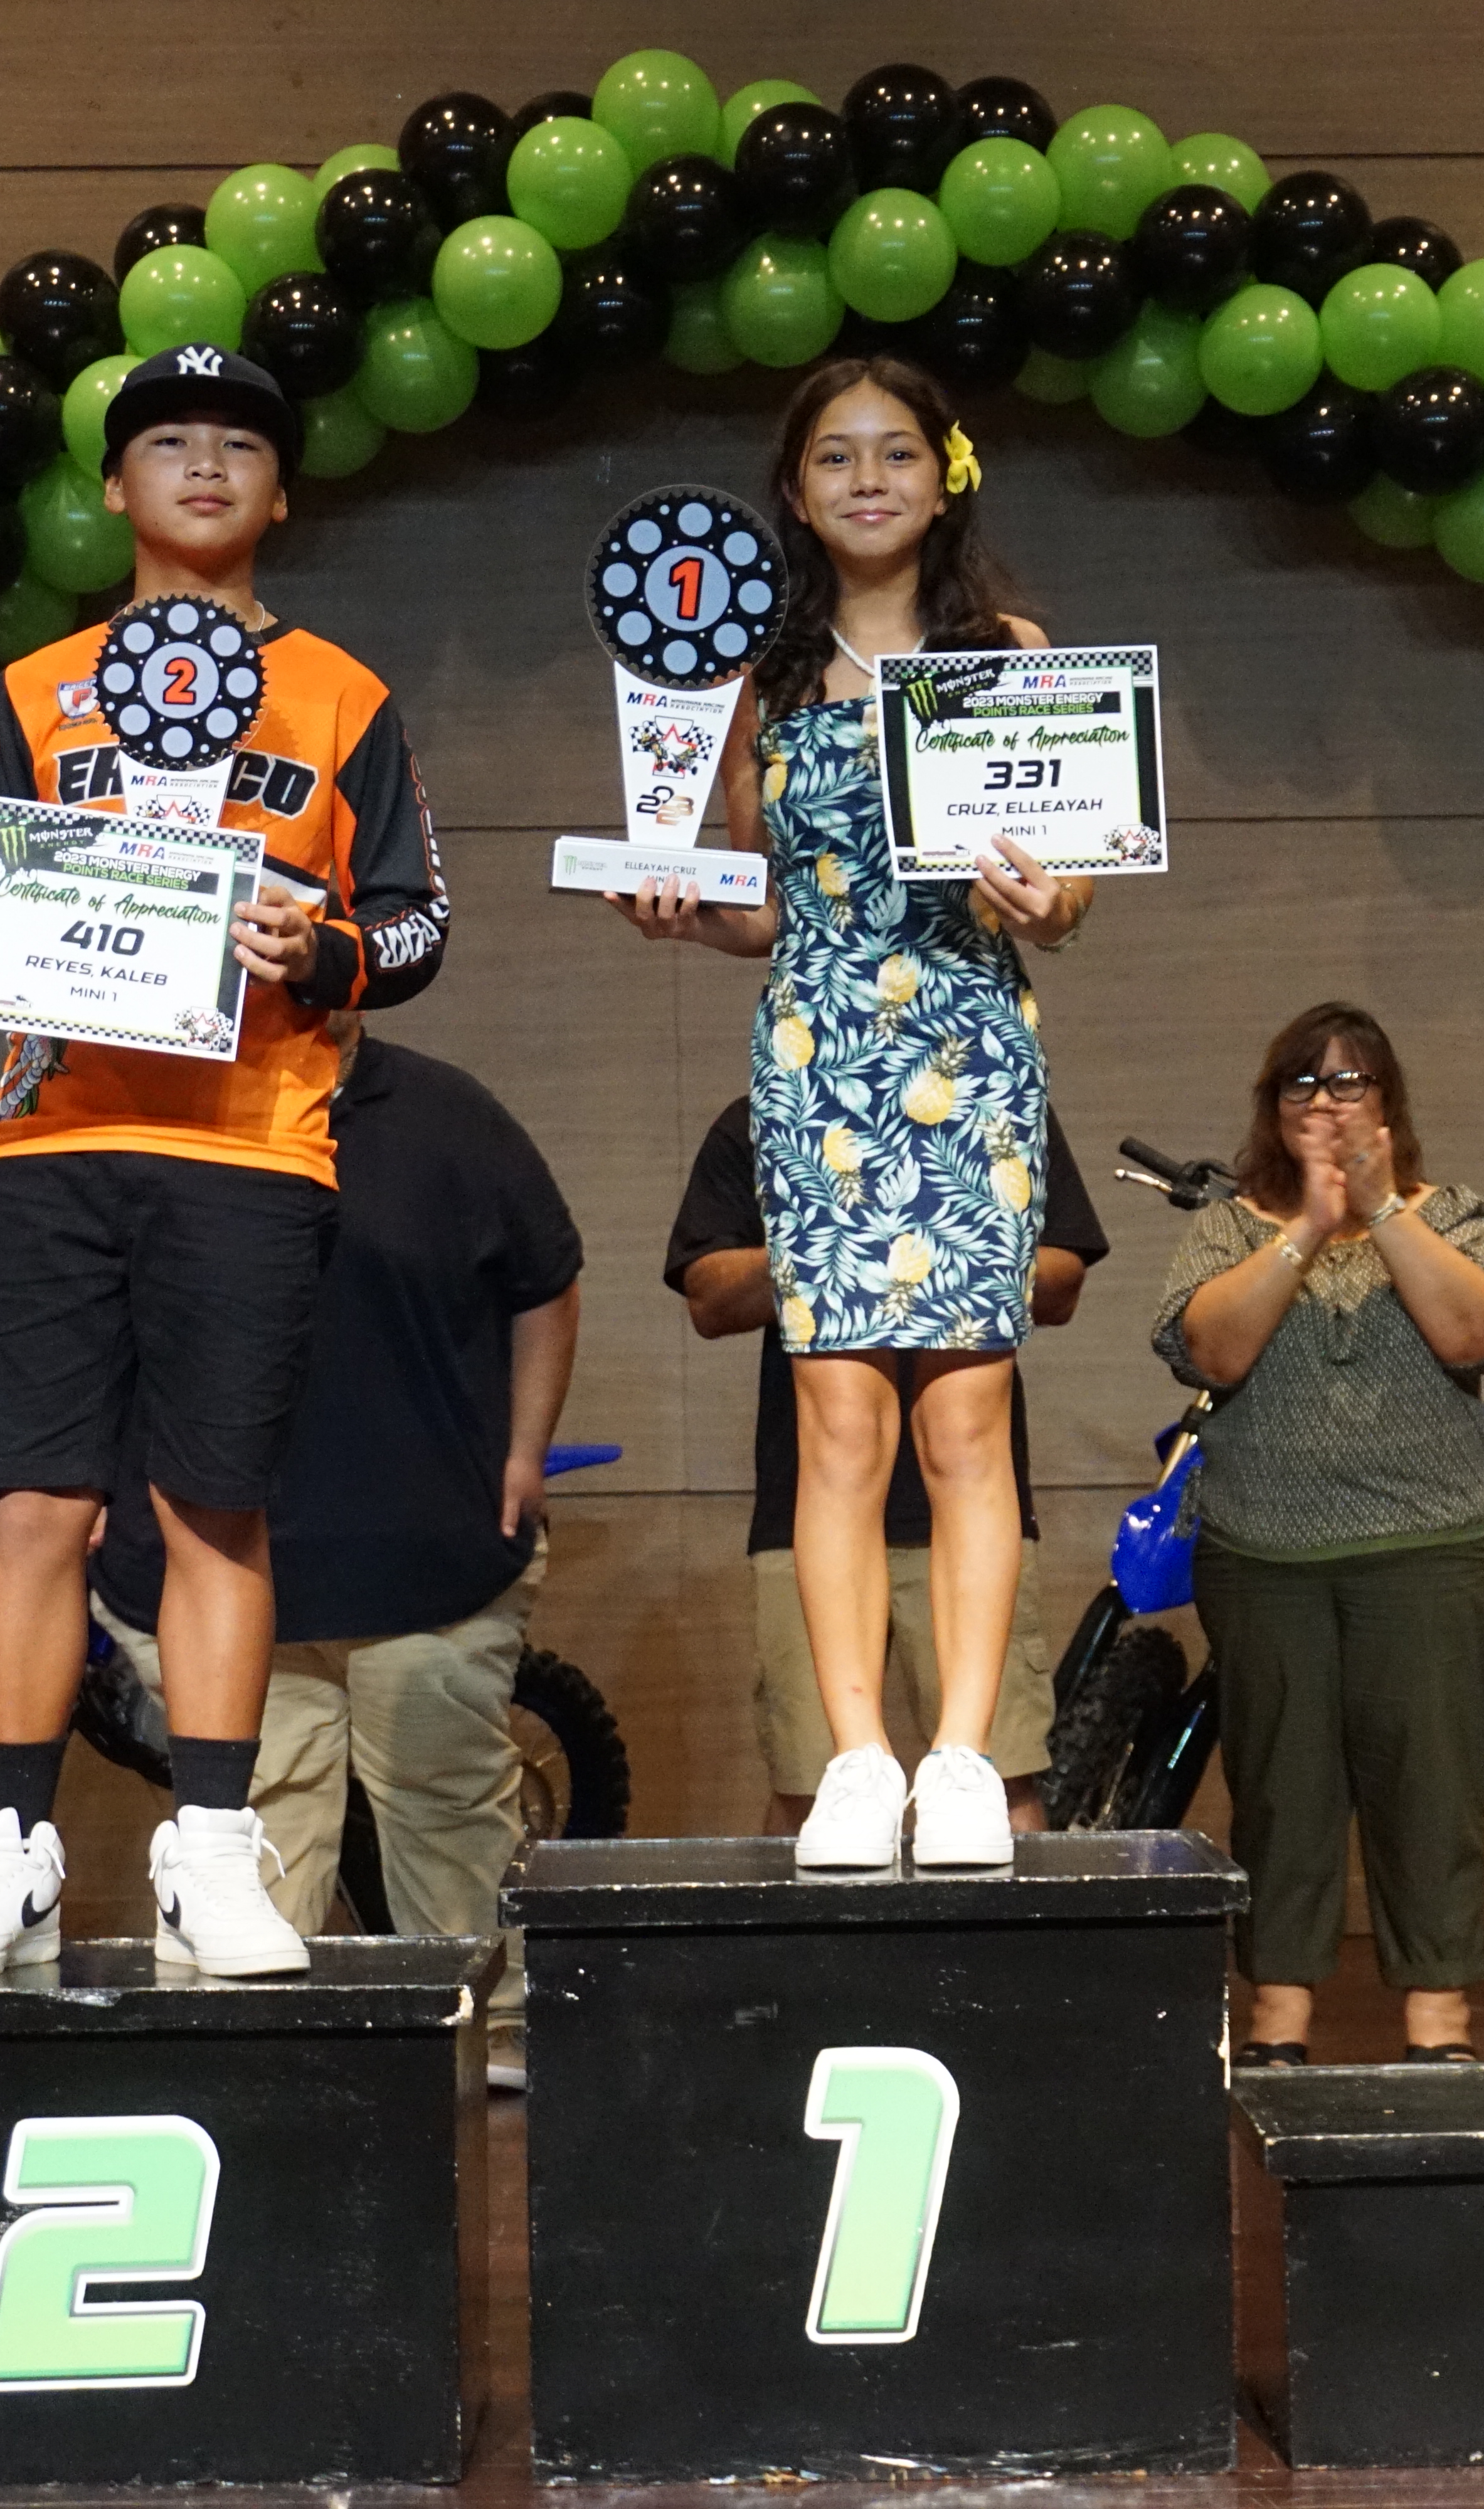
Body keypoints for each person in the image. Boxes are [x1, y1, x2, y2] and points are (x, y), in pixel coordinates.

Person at [0, 343, 452, 1981]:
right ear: (114, 488)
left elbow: (418, 920)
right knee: (34, 1503)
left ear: (278, 494)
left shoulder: (344, 693)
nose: (203, 466)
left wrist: (317, 946)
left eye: (237, 447)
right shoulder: (34, 686)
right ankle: (1, 1851)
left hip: (255, 1150)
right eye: (167, 444)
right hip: (56, 1138)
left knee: (214, 1506)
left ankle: (215, 1849)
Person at [605, 357, 1088, 1872]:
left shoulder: (1005, 649)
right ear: (796, 490)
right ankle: (859, 1755)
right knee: (835, 1419)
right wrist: (683, 910)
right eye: (834, 458)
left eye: (894, 453)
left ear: (943, 477)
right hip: (820, 1063)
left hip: (968, 1045)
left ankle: (957, 1756)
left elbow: (1064, 894)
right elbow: (767, 905)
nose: (866, 480)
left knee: (965, 1420)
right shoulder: (759, 675)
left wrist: (1045, 897)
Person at [87, 1013, 578, 2084]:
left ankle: (492, 2033)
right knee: (254, 1821)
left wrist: (528, 1449)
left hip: (431, 1555)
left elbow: (547, 1281)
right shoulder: (164, 1107)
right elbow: (94, 1310)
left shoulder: (450, 1115)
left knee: (449, 1809)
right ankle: (249, 2058)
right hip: (218, 1565)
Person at [1152, 1005, 1484, 2064]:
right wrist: (1309, 1227)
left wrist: (1379, 1210)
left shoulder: (1453, 1215)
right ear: (1271, 1110)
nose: (1327, 1104)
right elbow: (1213, 1353)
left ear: (1389, 1102)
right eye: (1303, 1086)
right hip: (1264, 1552)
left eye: (1351, 1083)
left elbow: (1475, 1331)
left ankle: (1438, 2021)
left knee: (1431, 1784)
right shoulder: (1229, 1229)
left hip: (1429, 1546)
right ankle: (1279, 2018)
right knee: (1283, 1792)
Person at [665, 1096, 1108, 1835]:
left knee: (998, 1778)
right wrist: (841, 1247)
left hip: (969, 1507)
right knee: (815, 1785)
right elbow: (709, 1293)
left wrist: (941, 1243)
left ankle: (1016, 1954)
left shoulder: (990, 1096)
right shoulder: (770, 1112)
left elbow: (1062, 1275)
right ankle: (806, 1955)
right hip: (805, 1503)